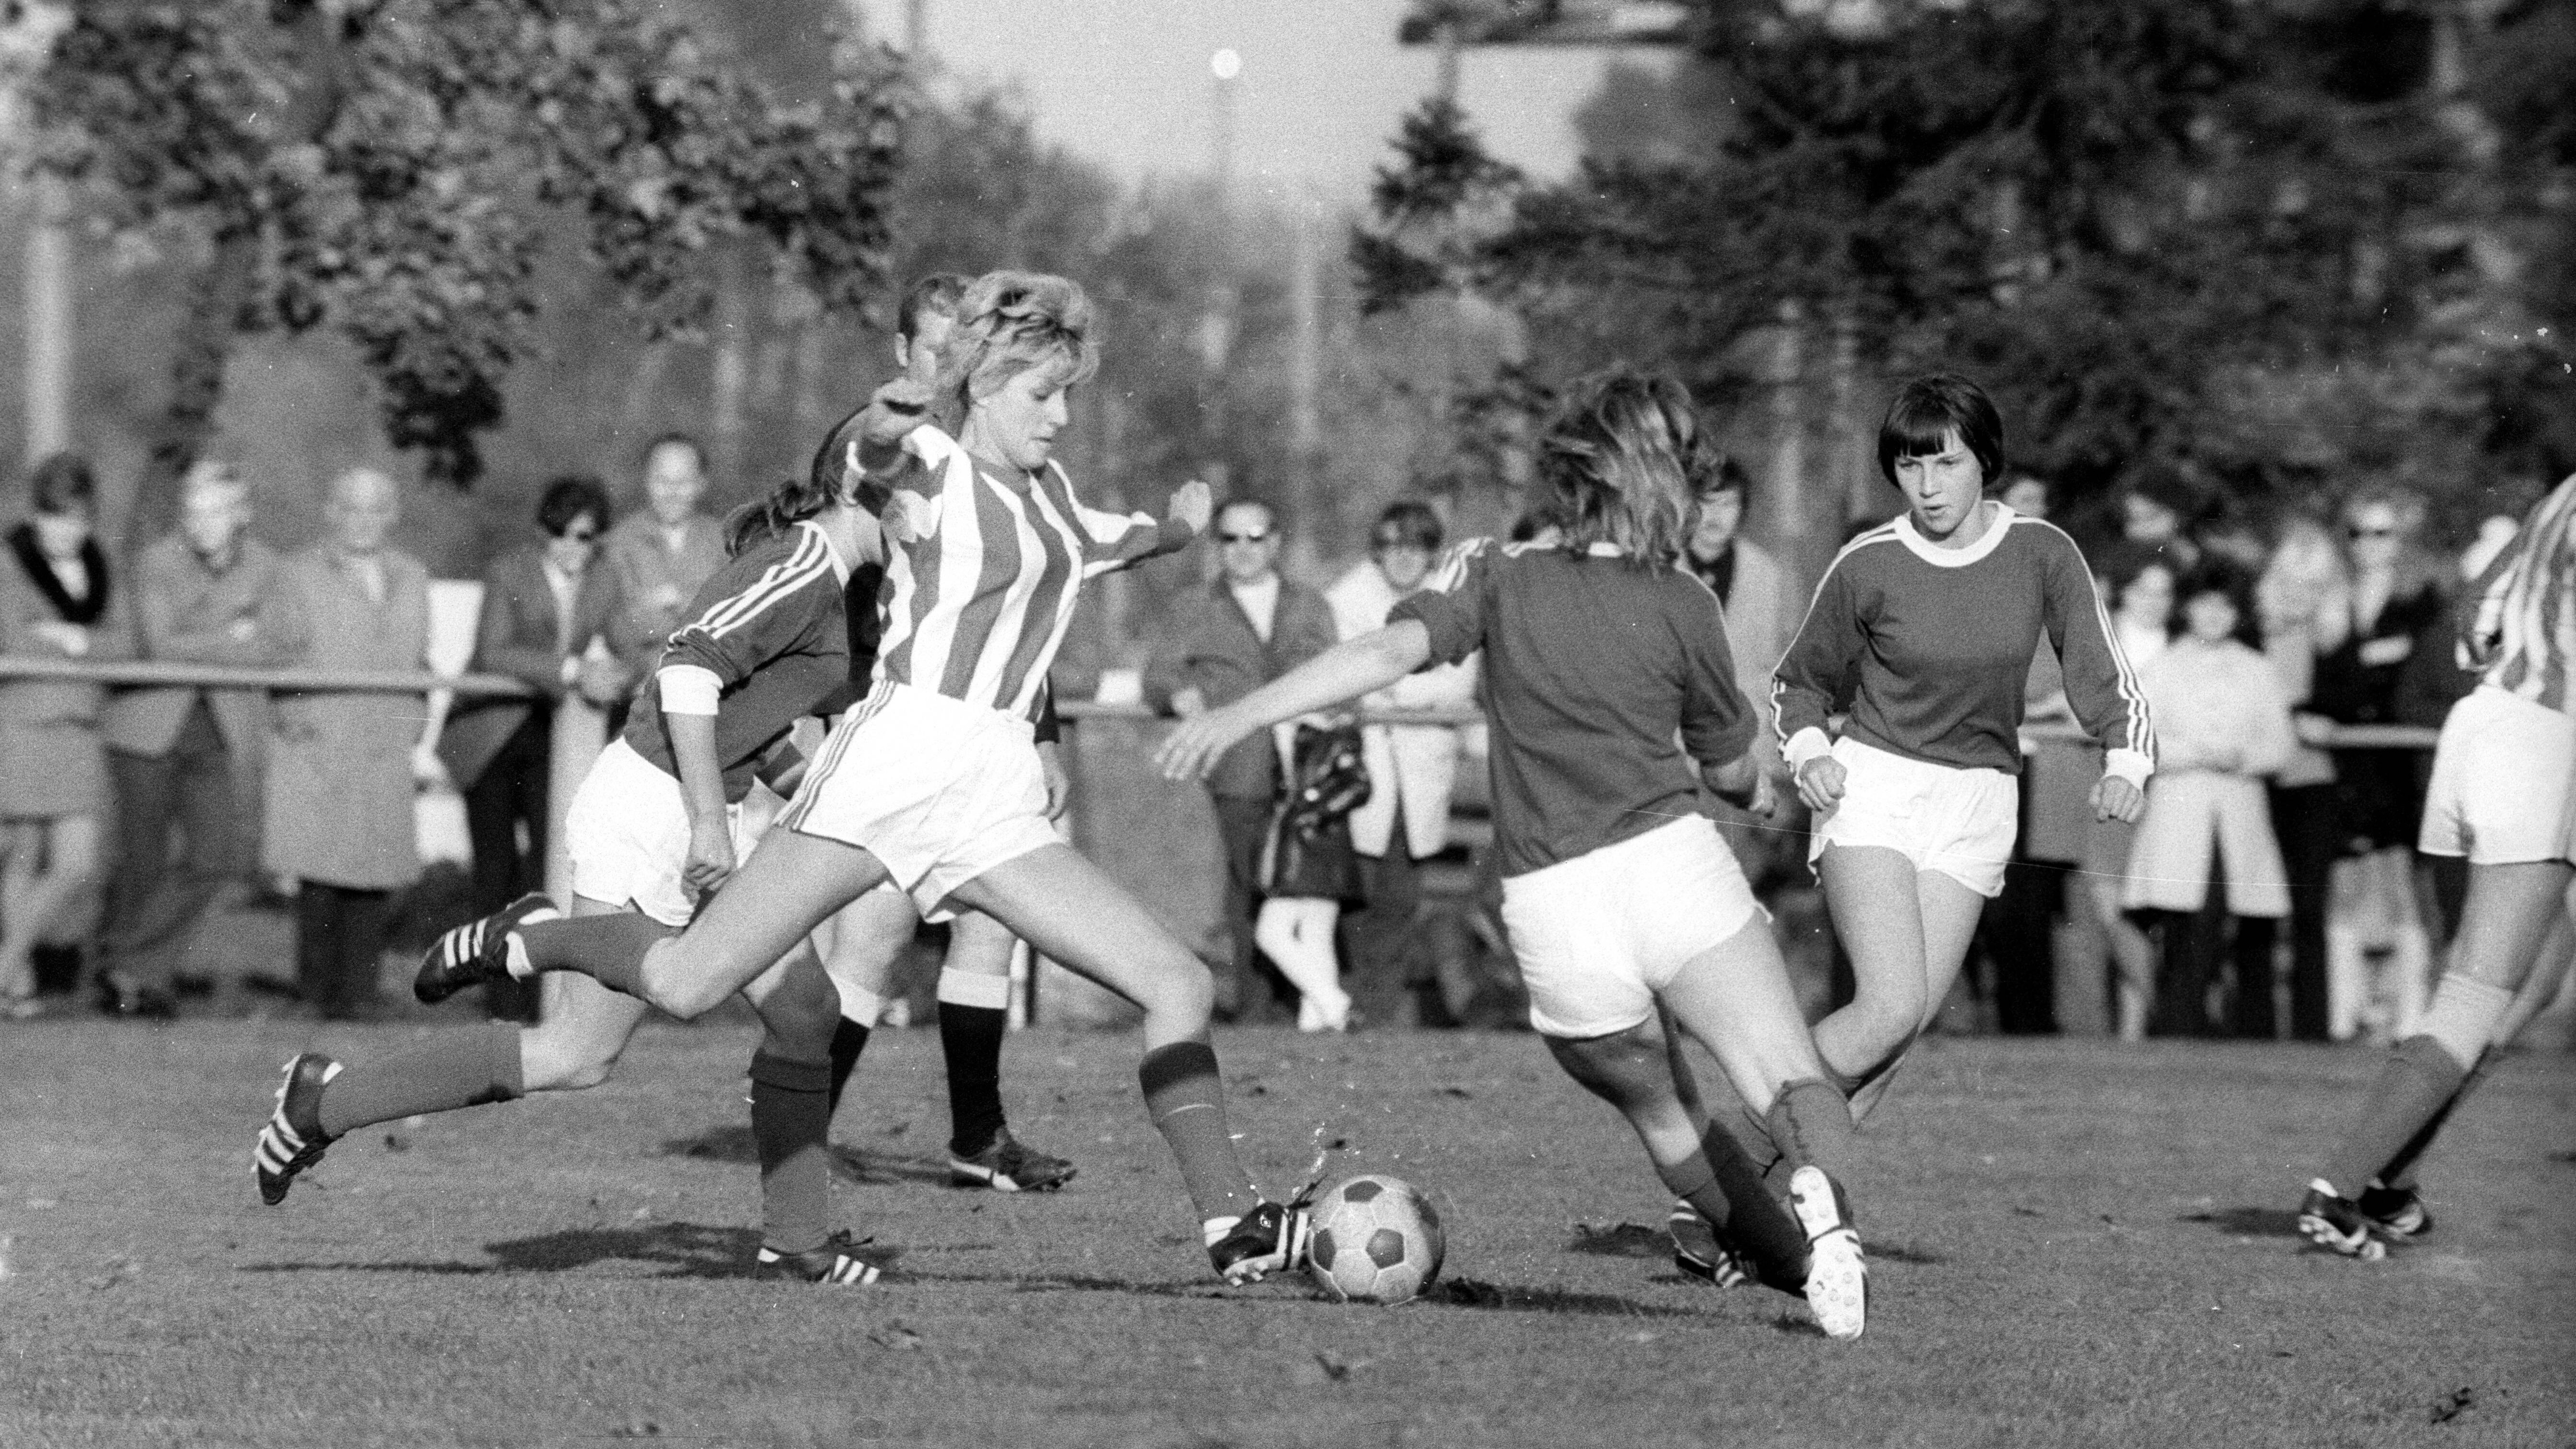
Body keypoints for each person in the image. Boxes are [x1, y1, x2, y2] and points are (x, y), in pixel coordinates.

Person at [404, 271, 1311, 1287]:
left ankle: (1233, 1226)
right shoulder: (931, 464)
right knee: (686, 981)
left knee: (1177, 982)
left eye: (1067, 395)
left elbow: (1108, 544)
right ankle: (537, 935)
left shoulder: (1052, 497)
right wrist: (882, 425)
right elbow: (863, 460)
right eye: (1039, 396)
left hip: (992, 792)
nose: (1060, 416)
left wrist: (1181, 529)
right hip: (894, 765)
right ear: (978, 389)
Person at [1159, 368, 1872, 1339]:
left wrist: (1244, 709)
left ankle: (1800, 1278)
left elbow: (1382, 655)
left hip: (1555, 907)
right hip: (1670, 867)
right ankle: (1830, 1229)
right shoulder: (1686, 601)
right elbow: (1733, 768)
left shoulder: (1492, 571)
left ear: (1569, 474)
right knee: (1789, 1080)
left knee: (1669, 1119)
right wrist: (1757, 789)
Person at [257, 460, 883, 1279]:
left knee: (799, 1010)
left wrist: (840, 812)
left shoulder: (829, 581)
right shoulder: (803, 565)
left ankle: (797, 1240)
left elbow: (752, 725)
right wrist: (708, 821)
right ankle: (517, 953)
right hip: (653, 810)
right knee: (577, 1053)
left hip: (700, 810)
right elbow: (685, 680)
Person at [1773, 374, 2150, 1124]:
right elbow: (1798, 684)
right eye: (1910, 466)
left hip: (1980, 801)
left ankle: (1774, 1213)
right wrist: (1811, 750)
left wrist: (2126, 759)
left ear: (1984, 459)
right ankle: (1730, 1174)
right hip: (1876, 790)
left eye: (1946, 462)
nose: (1928, 484)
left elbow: (2102, 669)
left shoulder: (2042, 552)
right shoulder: (1868, 563)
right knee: (1887, 1007)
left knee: (1896, 1043)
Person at [809, 272, 1078, 1194]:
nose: (948, 370)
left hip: (985, 736)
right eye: (935, 352)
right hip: (891, 728)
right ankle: (802, 1143)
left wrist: (1044, 732)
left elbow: (1009, 610)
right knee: (871, 945)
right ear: (902, 356)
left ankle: (979, 1135)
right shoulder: (885, 444)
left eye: (963, 354)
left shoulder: (1004, 471)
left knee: (988, 932)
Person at [2299, 472, 2576, 1258]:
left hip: (2485, 723)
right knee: (2480, 984)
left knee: (2535, 978)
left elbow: (2470, 627)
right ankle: (2338, 1188)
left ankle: (2392, 1174)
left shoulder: (2562, 492)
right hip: (2547, 740)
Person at [97, 458, 298, 1018]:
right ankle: (133, 982)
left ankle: (128, 966)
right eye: (193, 511)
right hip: (145, 729)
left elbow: (281, 644)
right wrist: (235, 629)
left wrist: (209, 638)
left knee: (216, 856)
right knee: (143, 863)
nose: (202, 524)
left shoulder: (268, 566)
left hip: (217, 731)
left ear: (244, 514)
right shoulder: (154, 561)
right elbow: (161, 647)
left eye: (217, 512)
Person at [436, 477, 633, 1022]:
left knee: (550, 866)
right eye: (560, 534)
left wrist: (615, 675)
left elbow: (632, 647)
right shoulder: (508, 571)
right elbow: (493, 652)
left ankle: (536, 996)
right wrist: (573, 670)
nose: (571, 547)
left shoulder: (604, 577)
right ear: (542, 532)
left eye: (585, 536)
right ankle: (497, 1001)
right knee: (495, 867)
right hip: (490, 735)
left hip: (551, 734)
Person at [1143, 497, 1339, 1022]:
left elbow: (1340, 676)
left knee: (1309, 896)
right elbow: (1157, 676)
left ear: (1275, 542)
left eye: (1255, 537)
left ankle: (1312, 1009)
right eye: (1230, 539)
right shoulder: (1194, 606)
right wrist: (1179, 694)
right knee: (1249, 888)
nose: (1244, 550)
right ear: (1216, 546)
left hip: (1307, 773)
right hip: (1239, 770)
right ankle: (1256, 1014)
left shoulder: (1310, 605)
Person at [262, 467, 434, 1021]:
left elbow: (421, 658)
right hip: (323, 740)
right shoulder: (297, 573)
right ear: (331, 512)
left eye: (376, 508)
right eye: (352, 508)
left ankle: (360, 992)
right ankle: (316, 994)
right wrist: (300, 721)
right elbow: (278, 654)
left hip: (384, 741)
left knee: (375, 870)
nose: (364, 521)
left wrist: (414, 718)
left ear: (394, 514)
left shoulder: (412, 574)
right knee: (320, 872)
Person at [2121, 561, 2297, 1038]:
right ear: (2188, 609)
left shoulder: (2258, 670)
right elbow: (2141, 741)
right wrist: (2195, 753)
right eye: (2205, 604)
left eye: (2225, 606)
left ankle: (2247, 1030)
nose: (2215, 615)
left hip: (2239, 811)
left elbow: (2280, 746)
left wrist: (2240, 757)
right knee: (2183, 924)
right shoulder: (2161, 668)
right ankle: (2178, 1024)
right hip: (2180, 810)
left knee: (2241, 922)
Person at [1323, 499, 1478, 1027]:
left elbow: (1457, 684)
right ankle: (1350, 1009)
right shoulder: (1347, 597)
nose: (1405, 559)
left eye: (1417, 548)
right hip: (1357, 771)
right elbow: (1349, 676)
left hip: (1420, 769)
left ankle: (1381, 1014)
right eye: (1394, 546)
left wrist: (1391, 685)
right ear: (1377, 550)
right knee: (1355, 897)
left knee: (1399, 896)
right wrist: (1407, 687)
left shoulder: (1451, 599)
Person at [2310, 488, 2448, 1040]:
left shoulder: (2423, 601)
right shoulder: (2332, 599)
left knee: (2402, 889)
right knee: (2346, 885)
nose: (2368, 544)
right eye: (2358, 533)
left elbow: (2422, 675)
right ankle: (2350, 1018)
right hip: (2347, 765)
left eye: (2381, 533)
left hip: (2401, 765)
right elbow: (2326, 680)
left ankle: (2410, 1017)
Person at [0, 455, 128, 1017]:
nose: (65, 531)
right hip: (23, 725)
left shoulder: (101, 565)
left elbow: (125, 645)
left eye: (77, 520)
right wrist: (78, 642)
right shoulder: (9, 562)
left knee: (76, 864)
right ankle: (19, 984)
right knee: (22, 856)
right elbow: (13, 641)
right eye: (54, 518)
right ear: (36, 516)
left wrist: (71, 640)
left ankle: (4, 963)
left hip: (79, 729)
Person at [2256, 516, 2349, 1042]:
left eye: (2313, 585)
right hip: (2260, 783)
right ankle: (2256, 1024)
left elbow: (2351, 699)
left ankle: (2312, 1027)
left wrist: (2318, 715)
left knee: (2310, 907)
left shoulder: (2335, 640)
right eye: (2291, 581)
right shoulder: (2252, 636)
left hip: (2313, 783)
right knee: (2259, 906)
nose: (2301, 595)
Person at [1682, 456, 1795, 887]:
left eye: (1728, 503)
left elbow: (1784, 671)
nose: (1715, 516)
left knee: (1740, 888)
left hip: (1746, 758)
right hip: (1674, 762)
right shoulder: (1656, 572)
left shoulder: (1768, 575)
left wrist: (1777, 769)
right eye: (1705, 502)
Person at [604, 432, 727, 665]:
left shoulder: (724, 541)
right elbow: (614, 631)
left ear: (702, 483)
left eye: (683, 482)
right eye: (662, 481)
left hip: (709, 672)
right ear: (646, 480)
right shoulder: (618, 543)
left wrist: (666, 606)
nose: (672, 493)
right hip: (638, 677)